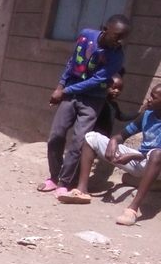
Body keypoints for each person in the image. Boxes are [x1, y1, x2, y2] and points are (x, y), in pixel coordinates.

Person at [38, 14, 131, 195]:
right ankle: (54, 177)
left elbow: (97, 80)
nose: (119, 41)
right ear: (105, 30)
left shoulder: (117, 56)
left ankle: (64, 182)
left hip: (92, 100)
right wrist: (60, 86)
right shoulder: (86, 35)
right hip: (71, 93)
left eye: (123, 38)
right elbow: (72, 63)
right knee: (56, 136)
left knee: (79, 142)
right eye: (117, 36)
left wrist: (65, 91)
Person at [58, 83, 161, 226]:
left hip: (156, 163)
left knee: (157, 154)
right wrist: (113, 141)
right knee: (91, 137)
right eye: (150, 95)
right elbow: (122, 135)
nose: (149, 99)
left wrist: (133, 156)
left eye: (153, 97)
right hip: (143, 161)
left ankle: (132, 209)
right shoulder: (147, 115)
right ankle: (82, 190)